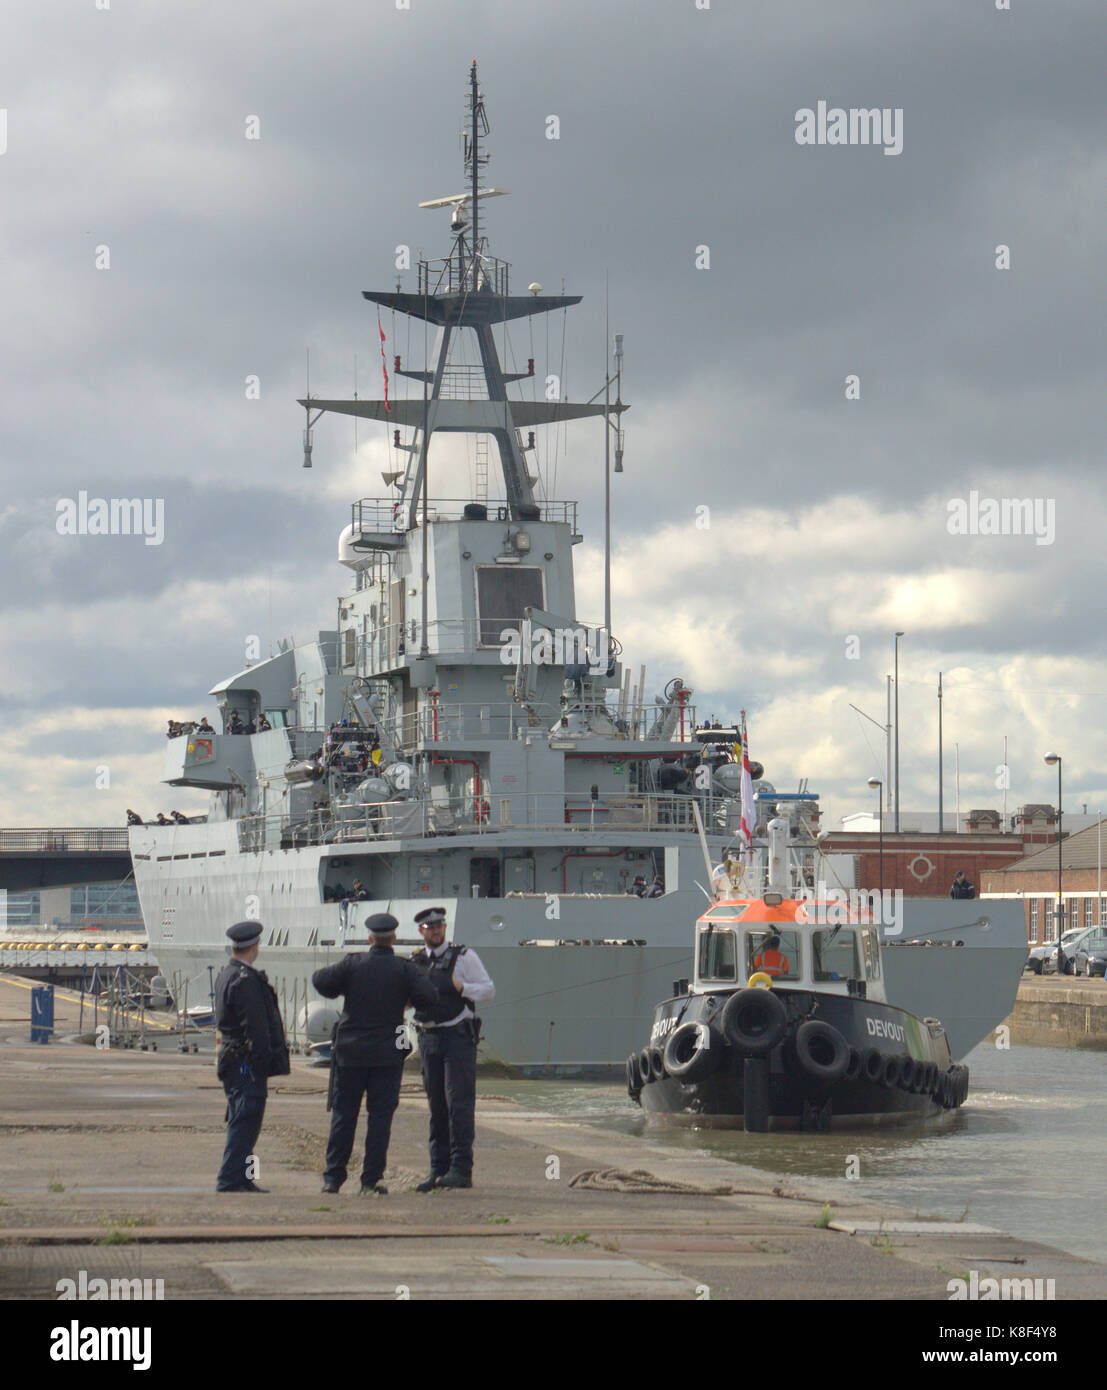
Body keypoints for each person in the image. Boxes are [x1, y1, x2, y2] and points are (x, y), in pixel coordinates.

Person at [312, 913, 437, 1195]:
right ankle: (370, 1179)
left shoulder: (353, 964)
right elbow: (429, 997)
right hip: (387, 1053)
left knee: (344, 1116)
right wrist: (407, 1000)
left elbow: (320, 981)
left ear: (370, 938)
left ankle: (333, 1179)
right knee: (380, 1118)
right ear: (393, 938)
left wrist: (344, 988)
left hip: (351, 1051)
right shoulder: (404, 969)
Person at [410, 906, 496, 1192]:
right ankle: (438, 1168)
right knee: (436, 1106)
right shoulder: (417, 961)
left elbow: (488, 989)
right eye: (430, 927)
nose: (436, 930)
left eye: (440, 925)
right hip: (428, 1037)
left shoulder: (464, 956)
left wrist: (461, 987)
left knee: (458, 1104)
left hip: (458, 1038)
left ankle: (461, 1169)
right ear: (421, 931)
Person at [213, 921, 290, 1193]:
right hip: (245, 1065)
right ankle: (231, 1178)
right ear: (254, 947)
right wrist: (260, 1065)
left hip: (233, 1059)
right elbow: (256, 1028)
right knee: (246, 1116)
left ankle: (242, 1177)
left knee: (242, 1115)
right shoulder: (246, 981)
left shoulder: (226, 974)